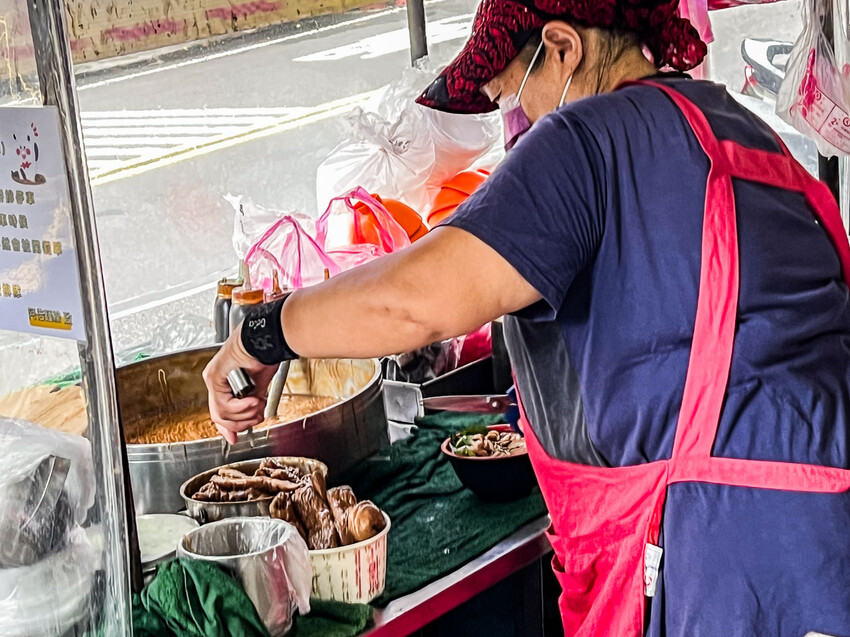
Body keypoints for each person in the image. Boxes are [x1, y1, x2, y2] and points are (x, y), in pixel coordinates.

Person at [203, 0, 850, 633]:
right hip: (825, 529)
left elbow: (413, 301)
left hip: (725, 558)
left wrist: (260, 335)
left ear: (564, 48)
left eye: (514, 93)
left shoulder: (581, 141)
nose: (518, 120)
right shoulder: (738, 126)